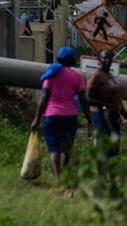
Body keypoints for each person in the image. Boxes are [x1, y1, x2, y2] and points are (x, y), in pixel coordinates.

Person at [31, 47, 91, 190]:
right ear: (73, 61)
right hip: (70, 117)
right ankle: (66, 176)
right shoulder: (77, 77)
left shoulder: (51, 74)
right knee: (67, 149)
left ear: (58, 59)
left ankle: (58, 179)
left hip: (52, 116)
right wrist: (89, 119)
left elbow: (44, 98)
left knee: (54, 149)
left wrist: (36, 119)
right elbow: (83, 100)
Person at [87, 49, 127, 165]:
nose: (107, 60)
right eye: (104, 58)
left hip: (114, 116)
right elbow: (88, 98)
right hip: (101, 116)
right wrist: (104, 104)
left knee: (113, 149)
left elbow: (118, 101)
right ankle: (102, 178)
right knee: (102, 149)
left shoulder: (110, 76)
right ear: (99, 60)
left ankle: (106, 176)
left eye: (109, 58)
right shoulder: (96, 76)